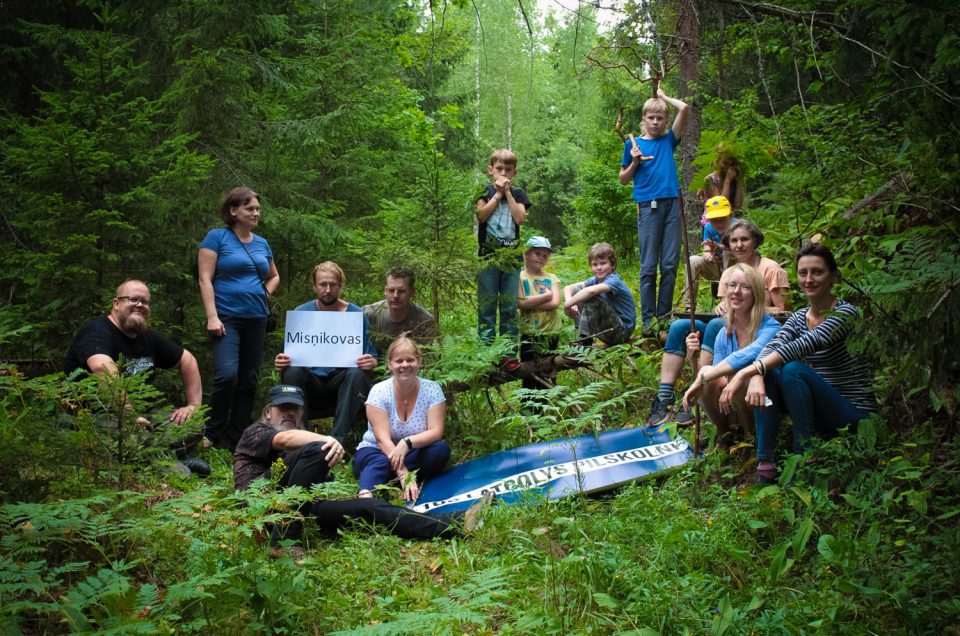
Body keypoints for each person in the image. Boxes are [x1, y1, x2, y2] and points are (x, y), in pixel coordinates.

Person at [234, 384, 481, 552]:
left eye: (294, 409)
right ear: (267, 412)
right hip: (257, 505)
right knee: (317, 449)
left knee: (368, 507)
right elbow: (286, 440)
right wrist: (326, 441)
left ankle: (454, 523)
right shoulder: (257, 432)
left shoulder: (305, 447)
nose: (289, 414)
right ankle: (284, 542)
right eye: (282, 408)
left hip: (300, 509)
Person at [719, 243, 876, 484]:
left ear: (833, 276)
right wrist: (758, 374)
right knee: (771, 372)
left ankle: (804, 455)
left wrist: (747, 372)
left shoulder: (845, 313)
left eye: (817, 272)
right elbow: (774, 345)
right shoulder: (798, 317)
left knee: (792, 369)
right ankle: (766, 461)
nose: (809, 279)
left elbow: (804, 345)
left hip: (853, 413)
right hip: (819, 409)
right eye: (803, 273)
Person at [646, 219, 790, 427]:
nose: (739, 245)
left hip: (755, 325)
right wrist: (724, 307)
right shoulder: (729, 271)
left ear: (755, 241)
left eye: (744, 239)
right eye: (734, 240)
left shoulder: (770, 268)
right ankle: (665, 396)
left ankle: (704, 386)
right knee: (679, 327)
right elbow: (728, 303)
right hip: (732, 323)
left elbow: (783, 310)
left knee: (715, 326)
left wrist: (748, 307)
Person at [64, 279, 207, 474]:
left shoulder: (146, 337)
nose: (140, 305)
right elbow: (101, 368)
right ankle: (173, 466)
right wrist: (130, 416)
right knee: (168, 465)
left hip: (143, 419)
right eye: (133, 299)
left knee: (194, 423)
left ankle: (156, 457)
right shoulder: (96, 331)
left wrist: (193, 406)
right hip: (93, 417)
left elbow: (187, 360)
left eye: (145, 302)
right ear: (116, 303)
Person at [198, 186, 279, 451]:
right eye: (250, 208)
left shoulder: (261, 243)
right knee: (227, 375)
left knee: (248, 379)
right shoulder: (217, 238)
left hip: (257, 317)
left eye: (257, 208)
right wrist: (212, 316)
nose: (256, 213)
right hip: (227, 318)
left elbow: (273, 275)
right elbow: (205, 279)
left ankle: (237, 438)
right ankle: (211, 433)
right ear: (234, 211)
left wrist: (264, 294)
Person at [273, 261, 377, 448]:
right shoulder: (302, 313)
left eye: (333, 285)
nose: (327, 290)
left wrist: (371, 361)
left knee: (358, 374)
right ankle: (301, 441)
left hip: (342, 384)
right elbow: (289, 354)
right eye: (323, 284)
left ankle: (337, 442)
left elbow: (370, 355)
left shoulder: (355, 314)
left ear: (340, 286)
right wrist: (281, 361)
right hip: (311, 383)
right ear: (315, 286)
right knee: (292, 371)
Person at [679, 264, 782, 447]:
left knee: (738, 373)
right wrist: (692, 358)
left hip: (769, 402)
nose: (736, 292)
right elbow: (717, 377)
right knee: (711, 372)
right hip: (738, 402)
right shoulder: (724, 333)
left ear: (756, 293)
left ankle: (752, 439)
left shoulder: (771, 328)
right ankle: (725, 435)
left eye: (745, 287)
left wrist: (701, 378)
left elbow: (748, 355)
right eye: (732, 285)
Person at [619, 87, 689, 335]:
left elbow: (685, 108)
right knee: (648, 267)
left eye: (660, 118)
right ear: (644, 119)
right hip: (648, 206)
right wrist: (635, 161)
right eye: (651, 118)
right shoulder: (632, 144)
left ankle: (665, 318)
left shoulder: (669, 140)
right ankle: (648, 322)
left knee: (669, 265)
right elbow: (624, 180)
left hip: (671, 204)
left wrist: (663, 96)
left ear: (666, 121)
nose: (656, 122)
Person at [353, 338, 450, 501]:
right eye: (399, 361)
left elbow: (436, 431)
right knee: (381, 462)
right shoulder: (379, 391)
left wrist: (407, 443)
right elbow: (382, 440)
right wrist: (404, 473)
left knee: (440, 450)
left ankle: (382, 479)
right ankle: (366, 496)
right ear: (390, 364)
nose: (405, 365)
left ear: (418, 361)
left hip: (412, 453)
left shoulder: (432, 389)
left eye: (410, 360)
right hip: (376, 451)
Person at [476, 148, 531, 345]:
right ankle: (486, 353)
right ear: (491, 169)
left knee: (509, 308)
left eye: (508, 169)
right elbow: (481, 216)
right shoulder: (484, 190)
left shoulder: (518, 193)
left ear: (514, 172)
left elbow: (520, 219)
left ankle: (508, 353)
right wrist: (497, 195)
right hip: (487, 258)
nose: (504, 173)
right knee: (487, 306)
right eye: (499, 168)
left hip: (511, 259)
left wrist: (507, 193)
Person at [564, 243, 636, 347]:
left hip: (621, 332)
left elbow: (591, 291)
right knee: (577, 290)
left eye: (603, 263)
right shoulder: (596, 280)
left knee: (590, 296)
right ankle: (584, 338)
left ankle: (585, 340)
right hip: (607, 331)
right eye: (595, 264)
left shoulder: (614, 280)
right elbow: (569, 288)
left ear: (612, 265)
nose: (599, 268)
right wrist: (569, 303)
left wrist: (567, 306)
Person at [517, 236, 562, 389]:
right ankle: (528, 410)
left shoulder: (552, 278)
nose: (542, 258)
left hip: (551, 332)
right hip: (529, 334)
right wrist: (546, 295)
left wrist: (532, 301)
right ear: (527, 253)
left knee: (547, 372)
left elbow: (555, 303)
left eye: (545, 256)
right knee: (529, 376)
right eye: (537, 253)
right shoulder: (519, 276)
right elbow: (521, 303)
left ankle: (544, 409)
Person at [363, 267, 438, 355]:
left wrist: (408, 345)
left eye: (401, 291)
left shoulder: (425, 321)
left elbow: (431, 359)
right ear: (385, 291)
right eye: (391, 290)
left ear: (412, 292)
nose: (395, 296)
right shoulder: (367, 314)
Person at [684, 195, 738, 312]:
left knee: (727, 256)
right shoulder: (708, 228)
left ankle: (726, 305)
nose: (718, 222)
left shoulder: (738, 226)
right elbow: (706, 251)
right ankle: (689, 306)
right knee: (692, 260)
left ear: (729, 215)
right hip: (717, 266)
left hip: (737, 267)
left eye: (722, 218)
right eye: (714, 219)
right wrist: (710, 257)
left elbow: (741, 250)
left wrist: (721, 248)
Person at [698, 148, 745, 215]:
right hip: (714, 219)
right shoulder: (711, 179)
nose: (728, 168)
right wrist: (727, 180)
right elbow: (719, 205)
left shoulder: (734, 178)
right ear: (718, 162)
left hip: (729, 218)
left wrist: (739, 179)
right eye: (725, 163)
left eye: (732, 165)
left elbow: (738, 205)